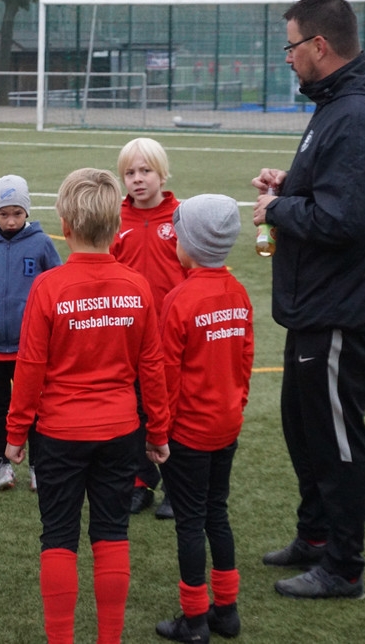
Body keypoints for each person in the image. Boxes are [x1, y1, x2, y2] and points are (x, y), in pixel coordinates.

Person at [252, 0, 365, 601]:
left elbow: (345, 219)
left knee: (336, 439)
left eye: (291, 45)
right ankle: (314, 536)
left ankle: (343, 567)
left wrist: (278, 208)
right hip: (314, 304)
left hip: (338, 307)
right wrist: (292, 184)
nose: (287, 57)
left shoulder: (359, 114)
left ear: (319, 44)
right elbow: (335, 189)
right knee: (305, 428)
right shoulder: (338, 105)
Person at [5, 168, 170, 644]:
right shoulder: (137, 286)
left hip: (60, 432)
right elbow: (152, 368)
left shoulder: (50, 287)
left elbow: (29, 368)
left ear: (64, 225)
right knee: (111, 534)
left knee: (58, 537)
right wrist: (158, 431)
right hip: (120, 430)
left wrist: (15, 433)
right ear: (117, 226)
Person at [153, 195, 253, 643]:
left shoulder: (180, 299)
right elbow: (245, 360)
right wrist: (235, 405)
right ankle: (226, 611)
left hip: (188, 433)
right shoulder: (237, 292)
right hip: (226, 424)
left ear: (189, 244)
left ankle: (194, 620)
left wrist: (158, 432)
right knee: (217, 513)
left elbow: (166, 376)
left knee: (190, 523)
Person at [0, 175, 62, 491]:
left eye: (17, 213)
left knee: (35, 406)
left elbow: (57, 286)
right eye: (4, 214)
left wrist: (44, 324)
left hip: (31, 347)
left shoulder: (41, 243)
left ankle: (38, 466)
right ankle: (1, 464)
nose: (10, 221)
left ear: (26, 212)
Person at [111, 137, 187, 519]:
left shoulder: (181, 217)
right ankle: (140, 482)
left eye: (146, 171)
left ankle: (176, 486)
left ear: (162, 173)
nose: (138, 179)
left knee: (171, 410)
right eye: (130, 173)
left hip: (173, 336)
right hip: (129, 337)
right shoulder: (115, 220)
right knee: (134, 411)